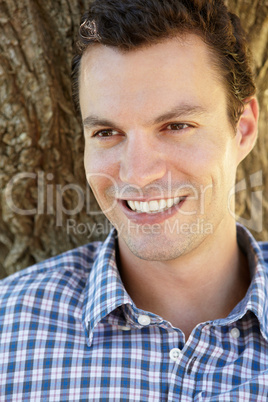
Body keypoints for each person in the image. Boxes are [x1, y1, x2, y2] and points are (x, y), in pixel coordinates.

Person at [0, 0, 267, 400]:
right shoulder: (8, 331)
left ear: (243, 129)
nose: (138, 174)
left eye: (177, 126)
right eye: (108, 132)